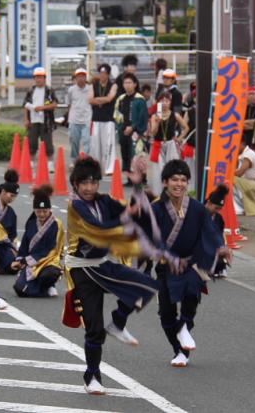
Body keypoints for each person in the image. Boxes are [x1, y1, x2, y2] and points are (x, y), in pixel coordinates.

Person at [64, 157, 159, 395]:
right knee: (94, 327)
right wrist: (127, 216)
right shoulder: (76, 206)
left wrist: (138, 184)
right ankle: (92, 376)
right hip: (82, 269)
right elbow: (99, 229)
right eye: (84, 183)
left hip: (102, 265)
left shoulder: (104, 200)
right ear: (75, 184)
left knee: (146, 285)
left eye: (93, 182)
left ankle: (118, 322)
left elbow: (131, 209)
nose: (89, 188)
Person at [148, 160, 230, 368]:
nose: (179, 184)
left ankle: (184, 326)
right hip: (167, 265)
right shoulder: (156, 209)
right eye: (174, 179)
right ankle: (179, 349)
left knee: (191, 294)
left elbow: (210, 230)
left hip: (192, 264)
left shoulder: (196, 208)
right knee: (166, 315)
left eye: (183, 180)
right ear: (165, 182)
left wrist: (221, 246)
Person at [12, 185, 64, 298]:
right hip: (31, 262)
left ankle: (49, 285)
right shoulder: (31, 223)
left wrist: (27, 260)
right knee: (19, 289)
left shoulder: (56, 224)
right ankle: (42, 290)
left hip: (49, 261)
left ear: (49, 209)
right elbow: (25, 244)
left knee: (50, 274)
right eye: (38, 211)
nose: (42, 214)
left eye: (45, 211)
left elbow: (52, 249)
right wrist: (19, 260)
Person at [147, 92, 189, 196]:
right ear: (158, 102)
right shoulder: (154, 116)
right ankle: (159, 193)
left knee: (173, 168)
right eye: (162, 101)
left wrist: (179, 139)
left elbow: (186, 128)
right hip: (158, 144)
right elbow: (153, 133)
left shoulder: (175, 115)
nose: (164, 103)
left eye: (167, 101)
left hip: (171, 144)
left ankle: (173, 192)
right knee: (158, 170)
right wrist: (157, 122)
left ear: (170, 102)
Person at [113, 73, 148, 184]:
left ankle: (141, 178)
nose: (127, 85)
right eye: (125, 83)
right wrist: (121, 128)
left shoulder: (140, 99)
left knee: (137, 154)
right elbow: (116, 115)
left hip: (136, 133)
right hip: (123, 131)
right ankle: (130, 179)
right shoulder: (121, 99)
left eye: (129, 82)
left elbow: (143, 117)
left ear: (135, 84)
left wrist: (133, 127)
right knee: (126, 155)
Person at [23, 67, 58, 170]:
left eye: (41, 77)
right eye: (37, 77)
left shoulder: (49, 90)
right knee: (32, 142)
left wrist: (43, 108)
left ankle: (50, 164)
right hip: (33, 121)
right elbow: (25, 105)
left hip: (46, 121)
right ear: (34, 78)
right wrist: (26, 119)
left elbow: (54, 104)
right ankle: (31, 162)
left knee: (47, 142)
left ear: (44, 78)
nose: (38, 79)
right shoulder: (31, 90)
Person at [89, 64, 118, 175]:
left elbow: (110, 98)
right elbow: (90, 99)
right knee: (95, 144)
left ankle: (109, 168)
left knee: (108, 144)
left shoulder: (113, 85)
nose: (102, 75)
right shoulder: (93, 85)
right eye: (101, 73)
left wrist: (97, 100)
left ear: (108, 74)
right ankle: (96, 168)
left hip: (108, 119)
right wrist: (103, 100)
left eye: (105, 73)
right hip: (96, 119)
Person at [65, 68, 92, 164]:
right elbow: (69, 104)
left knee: (87, 141)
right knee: (74, 141)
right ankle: (74, 160)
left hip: (87, 120)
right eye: (79, 76)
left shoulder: (90, 89)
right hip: (74, 120)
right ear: (75, 78)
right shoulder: (71, 90)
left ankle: (86, 161)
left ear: (85, 77)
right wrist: (68, 118)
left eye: (83, 76)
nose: (81, 78)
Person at [205, 184, 230, 278]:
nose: (217, 211)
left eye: (219, 209)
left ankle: (219, 268)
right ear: (209, 203)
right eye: (216, 208)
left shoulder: (218, 218)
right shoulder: (198, 213)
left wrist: (224, 246)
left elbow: (220, 234)